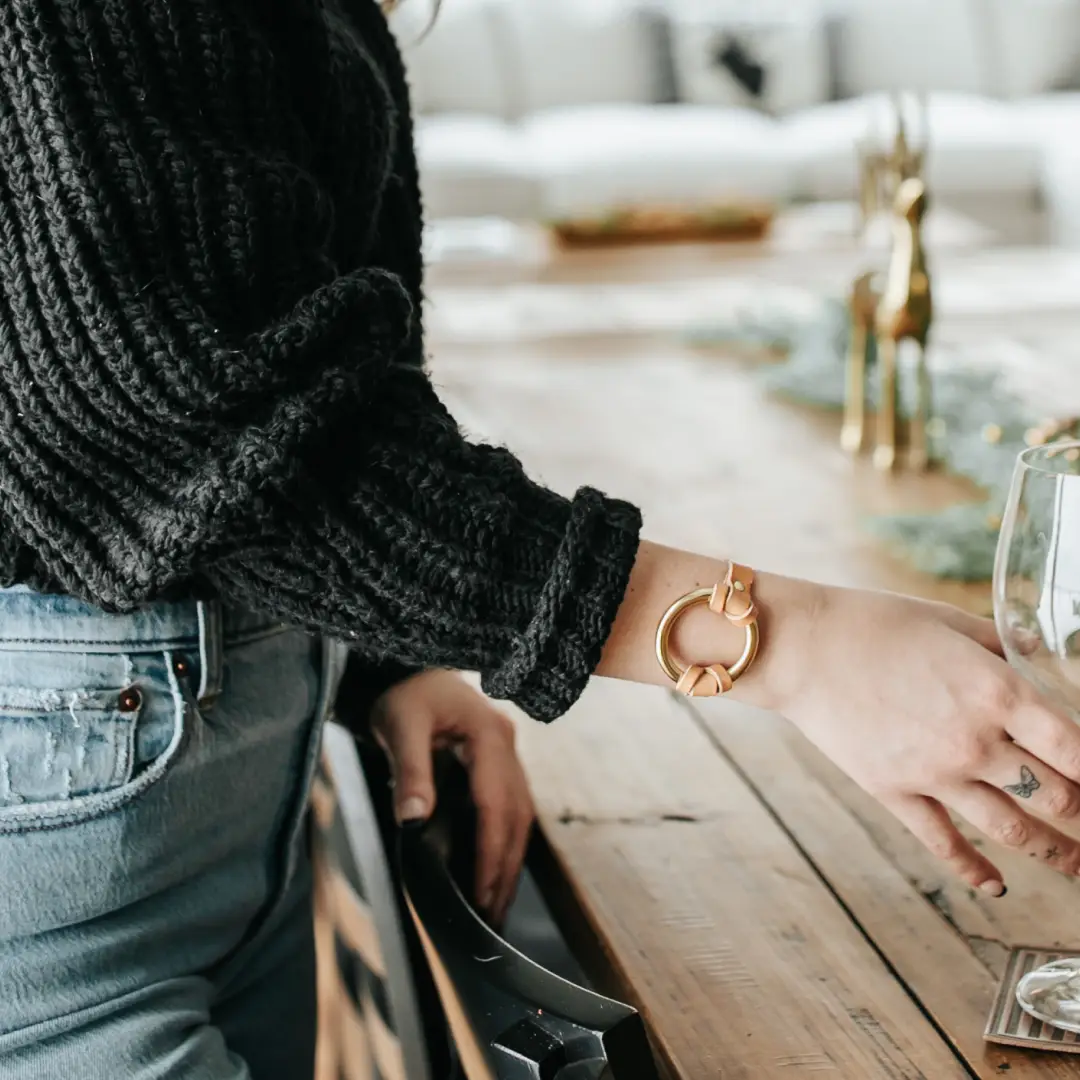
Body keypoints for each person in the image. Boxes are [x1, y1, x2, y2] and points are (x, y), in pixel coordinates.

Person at [0, 1, 1078, 1076]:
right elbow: (190, 414)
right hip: (64, 846)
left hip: (204, 800)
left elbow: (252, 332)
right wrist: (801, 646)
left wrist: (382, 655)